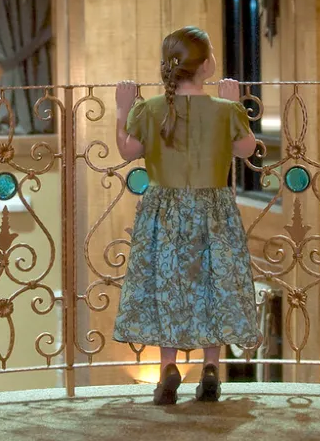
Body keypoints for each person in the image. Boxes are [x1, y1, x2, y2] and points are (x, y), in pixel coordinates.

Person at [112, 25, 263, 405]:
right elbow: (247, 149)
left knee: (169, 283)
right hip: (213, 211)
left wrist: (121, 109)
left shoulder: (150, 108)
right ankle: (212, 367)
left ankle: (168, 368)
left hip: (164, 212)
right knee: (210, 283)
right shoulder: (225, 109)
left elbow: (128, 151)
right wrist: (239, 105)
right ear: (208, 65)